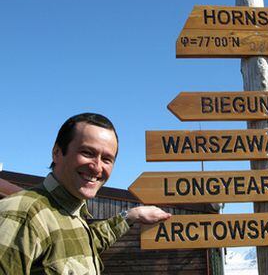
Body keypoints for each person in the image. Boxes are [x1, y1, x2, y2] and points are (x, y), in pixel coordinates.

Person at [0, 113, 171, 274]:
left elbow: (84, 245)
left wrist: (132, 215)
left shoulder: (72, 212)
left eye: (106, 159)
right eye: (87, 153)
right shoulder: (22, 215)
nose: (97, 167)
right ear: (57, 153)